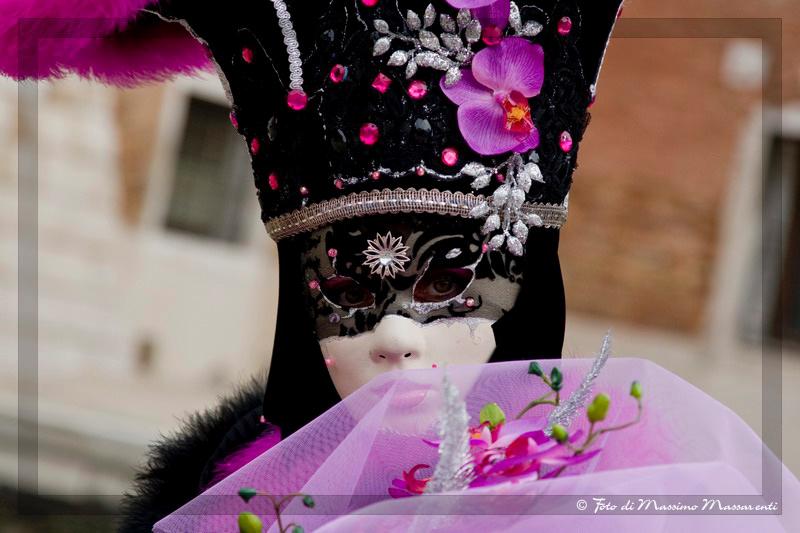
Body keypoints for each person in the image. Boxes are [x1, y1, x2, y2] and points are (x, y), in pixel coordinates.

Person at [0, 1, 624, 530]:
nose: (396, 337)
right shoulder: (240, 505)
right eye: (349, 293)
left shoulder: (618, 500)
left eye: (443, 284)